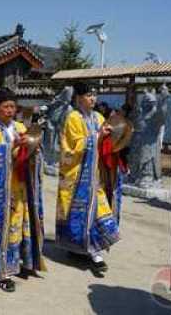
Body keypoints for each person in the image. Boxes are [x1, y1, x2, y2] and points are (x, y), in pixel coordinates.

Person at [0, 88, 46, 292]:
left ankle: (19, 262)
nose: (9, 110)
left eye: (12, 107)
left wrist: (34, 148)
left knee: (18, 225)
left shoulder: (20, 126)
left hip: (20, 185)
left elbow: (31, 147)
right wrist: (12, 145)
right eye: (5, 106)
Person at [56, 82, 119, 277]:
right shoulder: (72, 118)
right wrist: (97, 136)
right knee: (79, 212)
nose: (93, 99)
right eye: (89, 95)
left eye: (95, 95)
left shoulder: (99, 117)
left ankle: (94, 251)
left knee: (98, 210)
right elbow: (71, 148)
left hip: (96, 174)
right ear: (79, 97)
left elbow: (104, 142)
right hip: (77, 175)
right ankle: (83, 250)